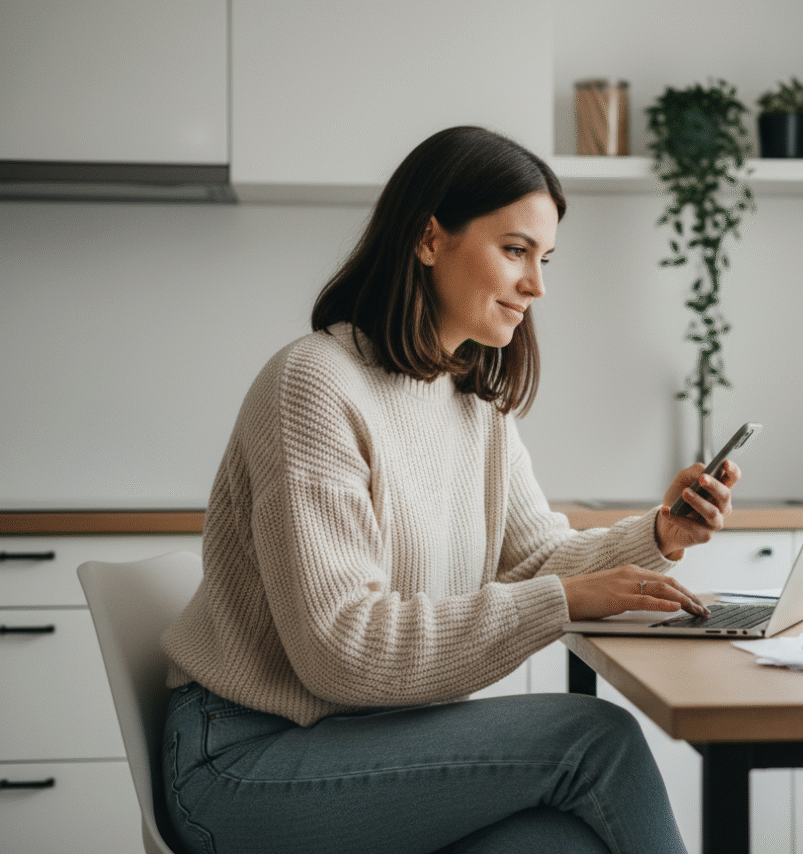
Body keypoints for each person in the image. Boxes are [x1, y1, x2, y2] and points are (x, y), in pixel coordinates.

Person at [160, 125, 741, 854]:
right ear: (430, 238)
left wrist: (659, 536)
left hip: (370, 744)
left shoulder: (473, 403)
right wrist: (560, 604)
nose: (537, 285)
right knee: (596, 738)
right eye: (516, 250)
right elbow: (339, 648)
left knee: (560, 843)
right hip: (242, 764)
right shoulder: (313, 385)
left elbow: (535, 559)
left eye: (545, 258)